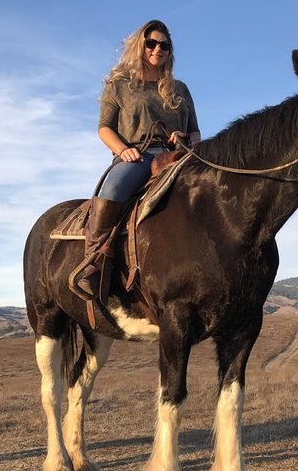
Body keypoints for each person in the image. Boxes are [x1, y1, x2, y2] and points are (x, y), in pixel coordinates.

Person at [70, 19, 200, 300]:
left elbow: (196, 132)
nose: (158, 49)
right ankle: (94, 262)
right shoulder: (119, 85)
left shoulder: (180, 89)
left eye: (164, 45)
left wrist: (185, 139)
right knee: (115, 187)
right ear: (140, 46)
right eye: (151, 43)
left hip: (178, 156)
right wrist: (122, 150)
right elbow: (104, 128)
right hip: (137, 156)